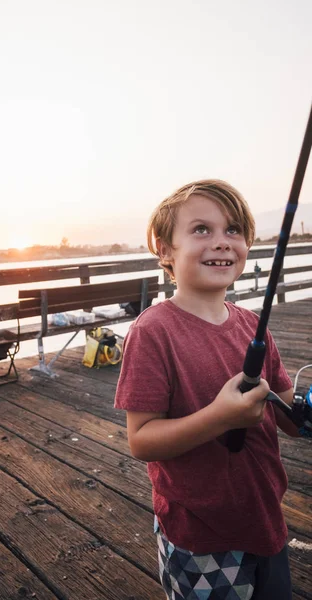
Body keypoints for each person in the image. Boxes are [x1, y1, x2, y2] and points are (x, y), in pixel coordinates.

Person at [114, 179, 300, 600]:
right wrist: (220, 417)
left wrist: (305, 412)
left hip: (265, 514)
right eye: (202, 230)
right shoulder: (153, 331)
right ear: (165, 250)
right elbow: (141, 440)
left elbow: (288, 416)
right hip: (201, 533)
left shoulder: (254, 325)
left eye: (233, 230)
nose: (221, 242)